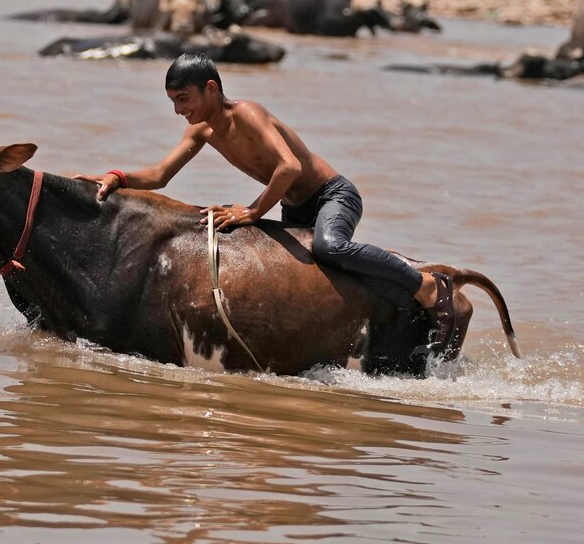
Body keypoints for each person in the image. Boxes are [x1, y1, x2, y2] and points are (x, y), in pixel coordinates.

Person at [74, 52, 458, 349]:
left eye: (183, 98)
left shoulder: (248, 113)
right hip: (294, 208)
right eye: (173, 101)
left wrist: (253, 211)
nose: (179, 110)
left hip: (332, 195)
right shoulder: (202, 131)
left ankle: (426, 285)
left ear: (211, 88)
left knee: (331, 246)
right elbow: (159, 174)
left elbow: (288, 167)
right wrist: (117, 176)